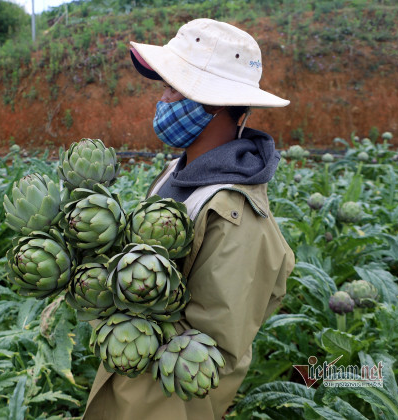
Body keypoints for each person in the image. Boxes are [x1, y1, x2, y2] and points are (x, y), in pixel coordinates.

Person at [83, 19, 295, 419]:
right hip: (126, 388)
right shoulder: (176, 172)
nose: (161, 101)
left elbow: (211, 352)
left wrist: (116, 305)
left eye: (171, 90)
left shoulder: (237, 218)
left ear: (212, 102)